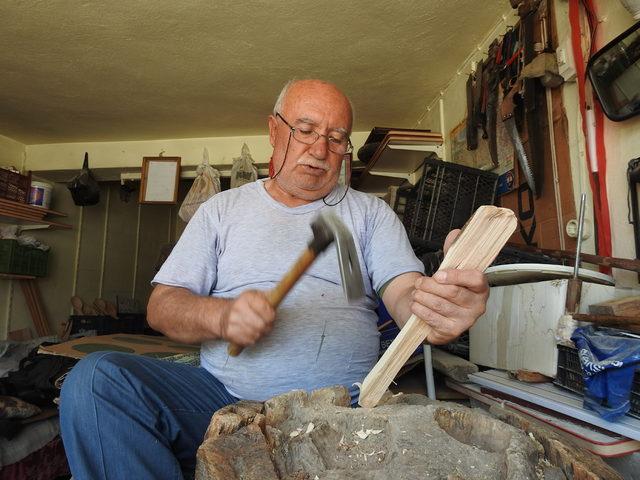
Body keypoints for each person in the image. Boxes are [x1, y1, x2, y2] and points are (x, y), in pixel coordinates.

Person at [60, 79, 489, 479]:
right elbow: (162, 306)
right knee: (97, 379)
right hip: (222, 398)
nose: (320, 149)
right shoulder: (221, 211)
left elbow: (403, 291)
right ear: (274, 129)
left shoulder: (370, 215)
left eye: (336, 138)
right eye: (306, 130)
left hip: (346, 407)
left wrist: (435, 304)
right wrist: (221, 316)